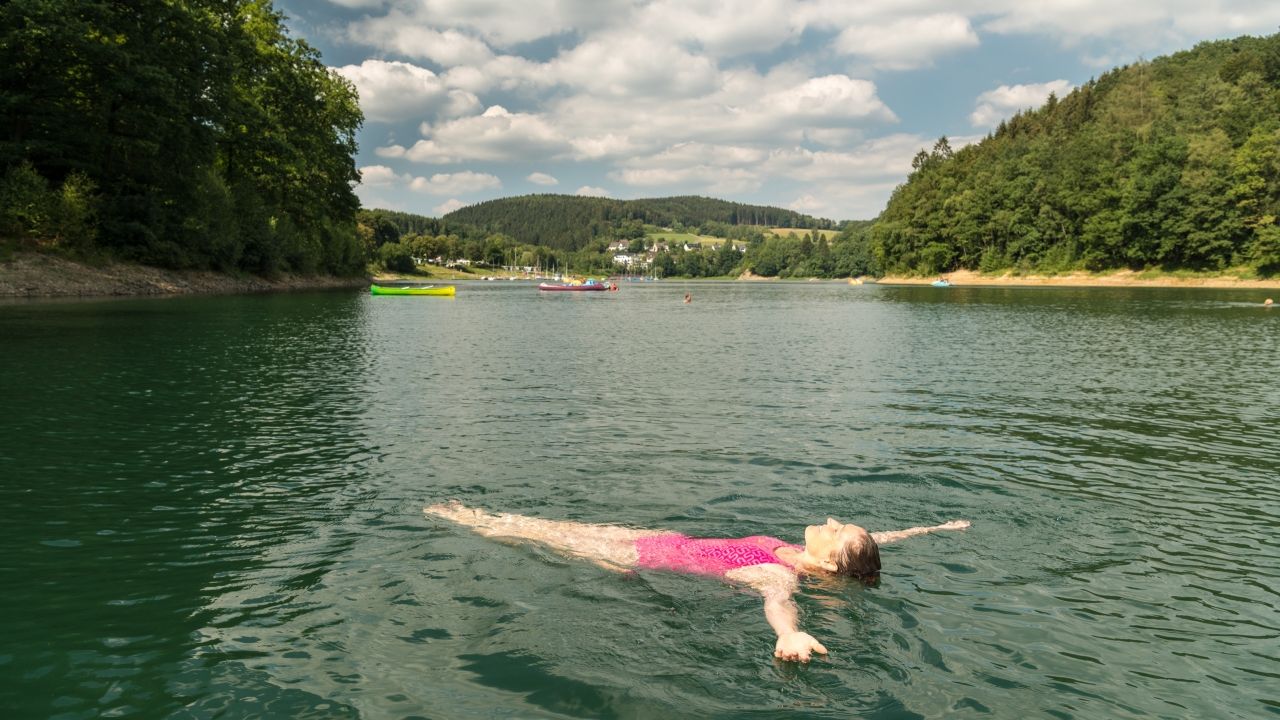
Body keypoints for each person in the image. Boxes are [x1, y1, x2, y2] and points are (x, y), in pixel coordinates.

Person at [424, 502, 971, 662]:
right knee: (535, 527)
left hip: (641, 555)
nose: (829, 522)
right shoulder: (814, 557)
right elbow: (881, 545)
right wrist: (933, 528)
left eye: (837, 532)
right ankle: (458, 512)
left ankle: (442, 513)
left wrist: (786, 634)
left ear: (830, 566)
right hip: (661, 538)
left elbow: (778, 604)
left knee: (529, 532)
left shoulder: (778, 573)